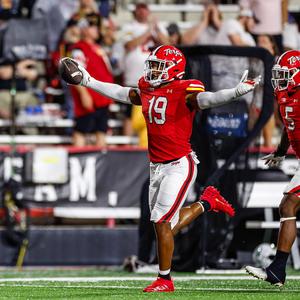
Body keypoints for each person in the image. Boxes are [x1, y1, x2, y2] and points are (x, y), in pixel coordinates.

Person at [60, 45, 260, 292]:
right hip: (156, 167)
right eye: (152, 65)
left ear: (174, 69)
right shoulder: (147, 87)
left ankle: (164, 279)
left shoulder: (184, 88)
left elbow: (206, 100)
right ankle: (206, 203)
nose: (153, 70)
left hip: (179, 165)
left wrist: (234, 93)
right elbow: (124, 93)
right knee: (164, 225)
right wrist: (89, 81)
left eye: (159, 66)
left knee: (162, 222)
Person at [245, 50, 300, 287]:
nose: (279, 79)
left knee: (288, 203)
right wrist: (280, 151)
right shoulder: (283, 94)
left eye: (285, 74)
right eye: (278, 74)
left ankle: (278, 269)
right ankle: (278, 270)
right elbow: (289, 127)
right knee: (287, 205)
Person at [70, 13, 114, 147]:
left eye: (96, 27)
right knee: (81, 131)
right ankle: (76, 162)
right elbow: (75, 74)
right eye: (92, 27)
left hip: (102, 97)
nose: (96, 29)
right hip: (90, 96)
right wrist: (84, 94)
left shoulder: (98, 48)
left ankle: (102, 166)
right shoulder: (79, 49)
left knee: (101, 131)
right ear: (84, 29)